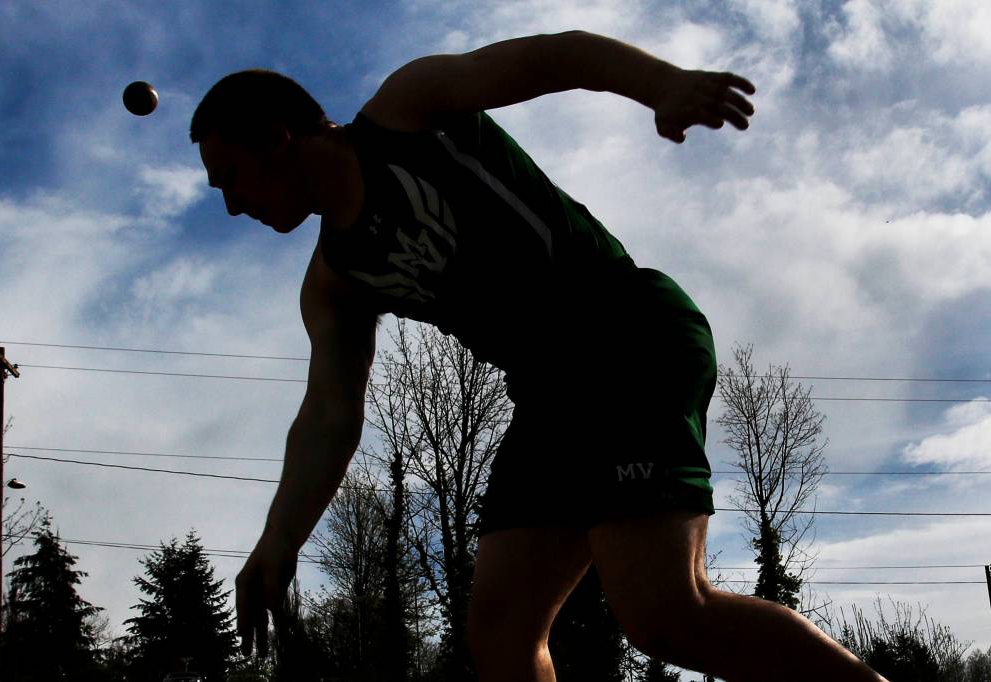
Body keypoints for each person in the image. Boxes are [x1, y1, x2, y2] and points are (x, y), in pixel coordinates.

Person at [192, 30, 886, 682]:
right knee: (501, 631)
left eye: (229, 178)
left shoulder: (408, 109)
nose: (229, 207)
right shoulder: (336, 282)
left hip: (624, 333)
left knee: (666, 614)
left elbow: (550, 59)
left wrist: (662, 83)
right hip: (547, 394)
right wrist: (278, 541)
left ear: (277, 140)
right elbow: (329, 413)